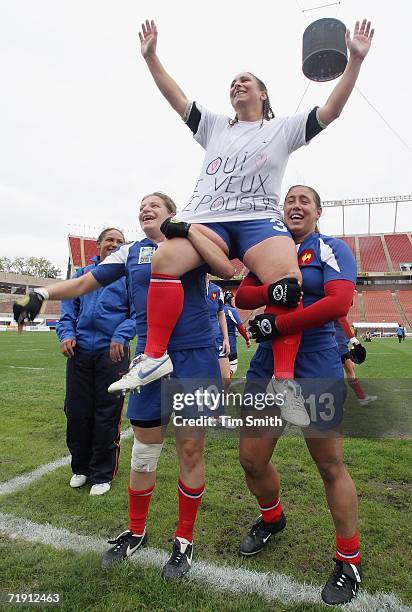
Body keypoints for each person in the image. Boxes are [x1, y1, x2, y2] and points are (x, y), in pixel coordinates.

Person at [117, 18, 374, 430]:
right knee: (164, 258)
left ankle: (284, 383)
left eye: (245, 81)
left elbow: (332, 110)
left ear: (263, 93)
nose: (237, 85)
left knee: (287, 278)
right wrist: (151, 58)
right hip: (209, 218)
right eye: (233, 82)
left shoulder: (283, 128)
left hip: (257, 219)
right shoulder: (215, 125)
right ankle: (153, 357)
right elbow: (176, 97)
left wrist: (355, 61)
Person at [13, 192, 230, 580]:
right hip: (149, 361)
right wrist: (42, 294)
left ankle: (183, 540)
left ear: (172, 215)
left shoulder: (190, 242)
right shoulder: (129, 253)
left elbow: (227, 268)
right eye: (141, 206)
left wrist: (192, 232)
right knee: (144, 452)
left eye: (155, 206)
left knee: (190, 449)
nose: (146, 209)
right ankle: (135, 530)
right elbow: (82, 284)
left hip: (194, 358)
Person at [235, 185, 363, 605]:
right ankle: (272, 519)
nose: (295, 205)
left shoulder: (331, 248)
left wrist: (283, 323)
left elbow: (339, 302)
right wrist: (273, 294)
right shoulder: (269, 250)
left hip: (317, 360)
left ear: (318, 212)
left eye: (304, 200)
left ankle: (349, 559)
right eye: (289, 200)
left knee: (329, 464)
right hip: (267, 361)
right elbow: (243, 294)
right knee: (252, 461)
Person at [56, 228, 136, 496]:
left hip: (112, 353)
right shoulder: (81, 276)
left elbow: (137, 314)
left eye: (120, 242)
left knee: (106, 414)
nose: (114, 244)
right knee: (77, 412)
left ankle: (102, 473)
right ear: (98, 246)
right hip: (79, 352)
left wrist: (121, 335)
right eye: (109, 240)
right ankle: (80, 468)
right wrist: (66, 334)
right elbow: (68, 311)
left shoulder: (128, 277)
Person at [334, 317, 377, 406]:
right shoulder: (336, 316)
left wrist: (353, 343)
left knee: (350, 369)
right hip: (336, 348)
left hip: (342, 347)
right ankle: (335, 403)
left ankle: (362, 397)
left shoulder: (341, 319)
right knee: (336, 376)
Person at [206, 277, 231, 382]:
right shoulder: (190, 289)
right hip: (199, 340)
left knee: (225, 380)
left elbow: (221, 313)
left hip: (217, 340)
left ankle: (223, 398)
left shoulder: (216, 290)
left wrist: (226, 339)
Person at [223, 291, 251, 376]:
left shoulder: (218, 310)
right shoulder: (231, 310)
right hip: (230, 343)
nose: (234, 302)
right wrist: (247, 339)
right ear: (228, 300)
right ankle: (224, 387)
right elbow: (240, 327)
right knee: (232, 368)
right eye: (232, 300)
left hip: (217, 342)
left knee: (221, 367)